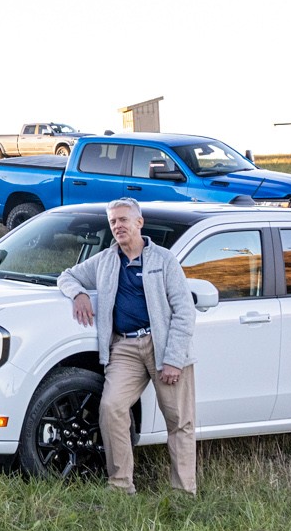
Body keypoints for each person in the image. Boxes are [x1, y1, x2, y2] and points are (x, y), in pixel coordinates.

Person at [56, 197, 198, 495]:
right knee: (111, 407)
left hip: (162, 347)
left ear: (139, 223)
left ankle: (184, 492)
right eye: (113, 222)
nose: (117, 226)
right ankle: (121, 485)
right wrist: (79, 293)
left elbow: (185, 310)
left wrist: (173, 358)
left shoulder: (164, 260)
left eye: (123, 220)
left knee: (179, 420)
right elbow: (66, 276)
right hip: (124, 347)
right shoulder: (107, 260)